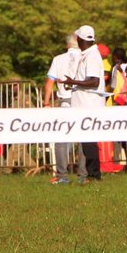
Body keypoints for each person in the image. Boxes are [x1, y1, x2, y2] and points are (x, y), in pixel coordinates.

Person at [59, 25, 105, 183]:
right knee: (87, 143)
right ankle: (91, 175)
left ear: (79, 39)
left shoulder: (92, 56)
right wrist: (73, 85)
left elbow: (93, 81)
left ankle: (94, 176)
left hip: (89, 105)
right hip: (83, 104)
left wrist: (73, 81)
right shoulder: (87, 54)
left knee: (89, 142)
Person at [44, 33, 81, 184]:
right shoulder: (85, 57)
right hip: (81, 101)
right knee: (85, 137)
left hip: (65, 101)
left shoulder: (58, 59)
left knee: (62, 139)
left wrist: (46, 102)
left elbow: (49, 83)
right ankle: (84, 174)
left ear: (67, 45)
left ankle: (62, 175)